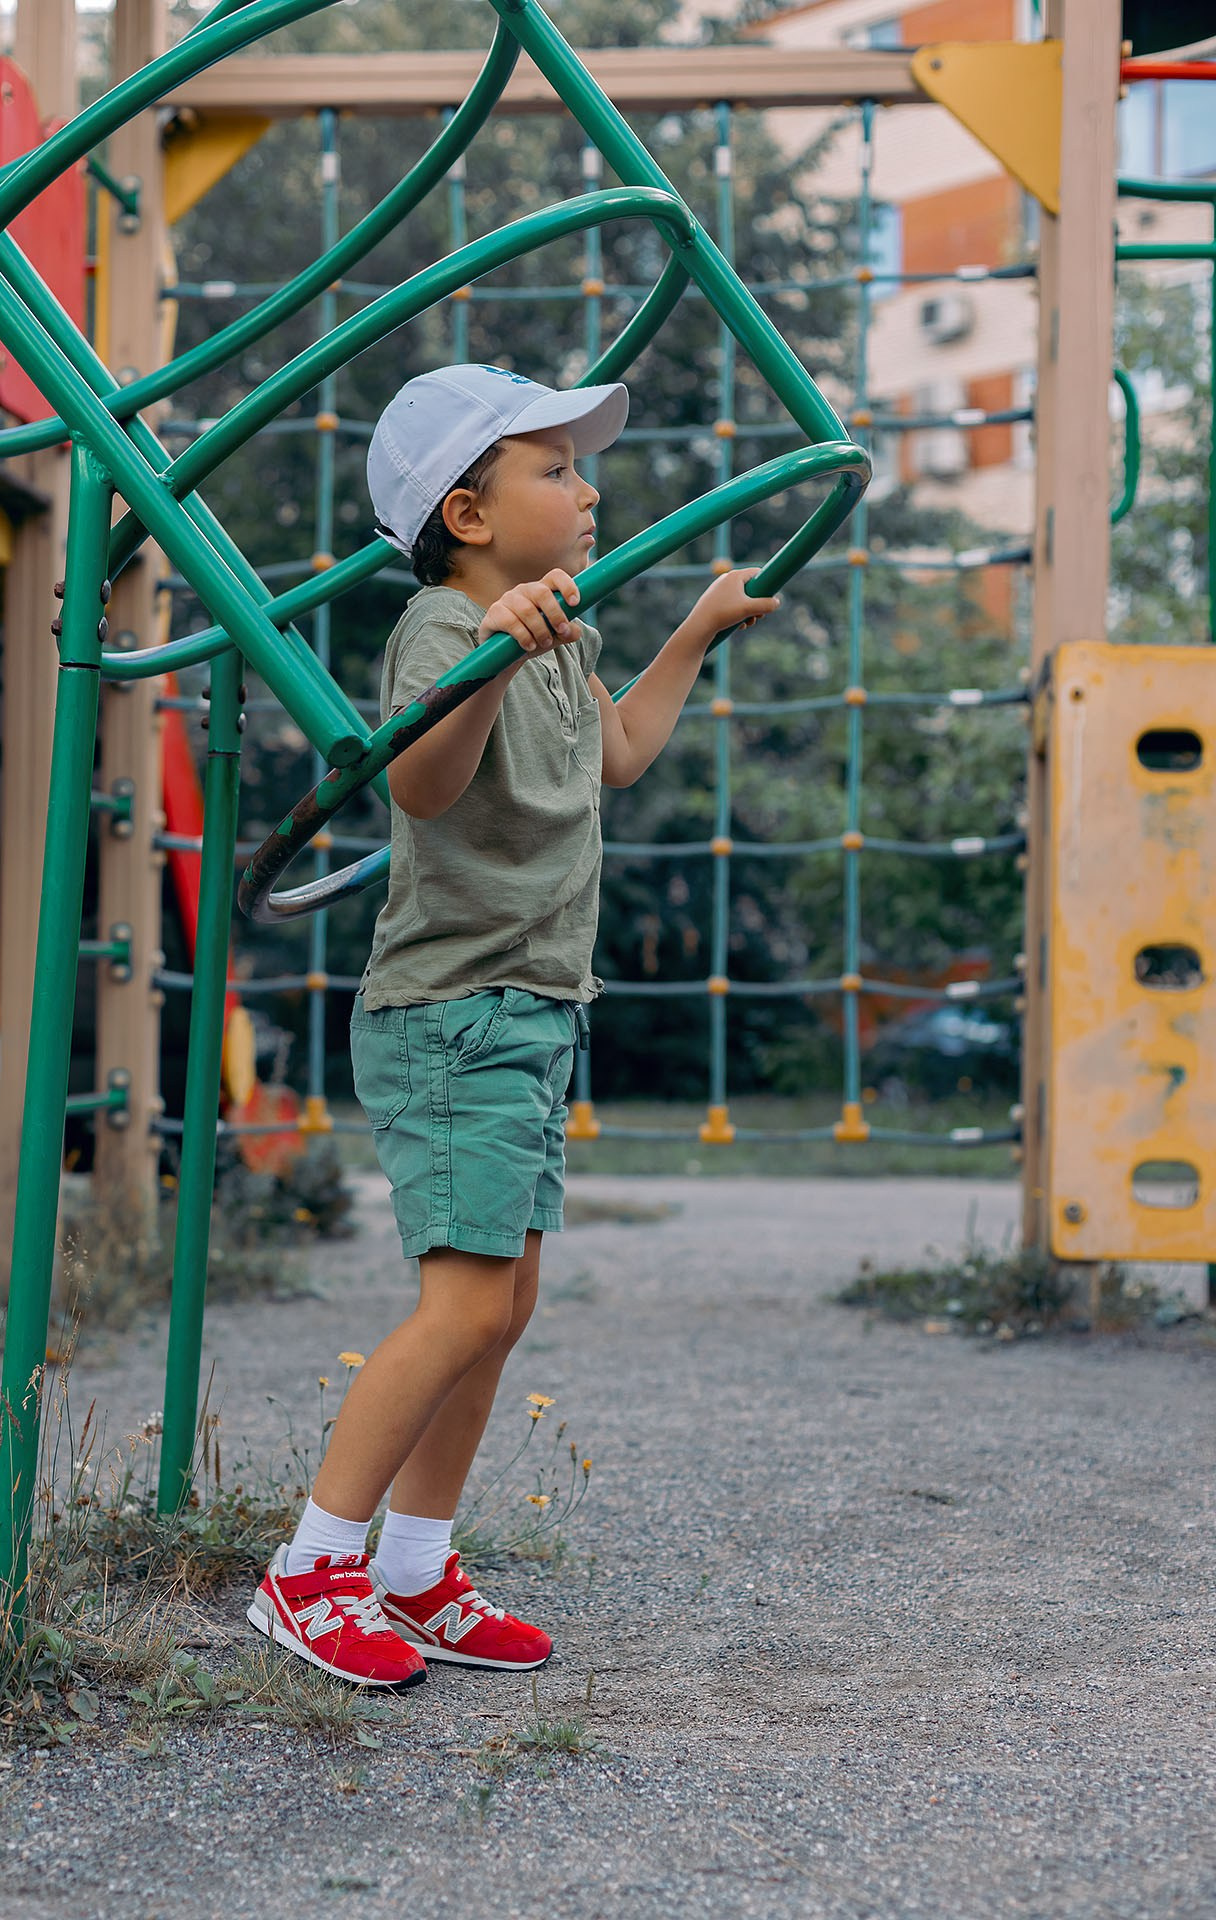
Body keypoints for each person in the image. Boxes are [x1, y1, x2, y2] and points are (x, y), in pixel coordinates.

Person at [247, 363, 779, 1689]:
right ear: (470, 515)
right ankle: (310, 1568)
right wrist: (495, 652)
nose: (588, 492)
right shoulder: (442, 626)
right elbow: (423, 787)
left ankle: (414, 1564)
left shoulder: (568, 633)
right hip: (452, 1012)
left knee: (505, 1304)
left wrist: (693, 633)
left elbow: (619, 754)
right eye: (556, 469)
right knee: (464, 1301)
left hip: (534, 1008)